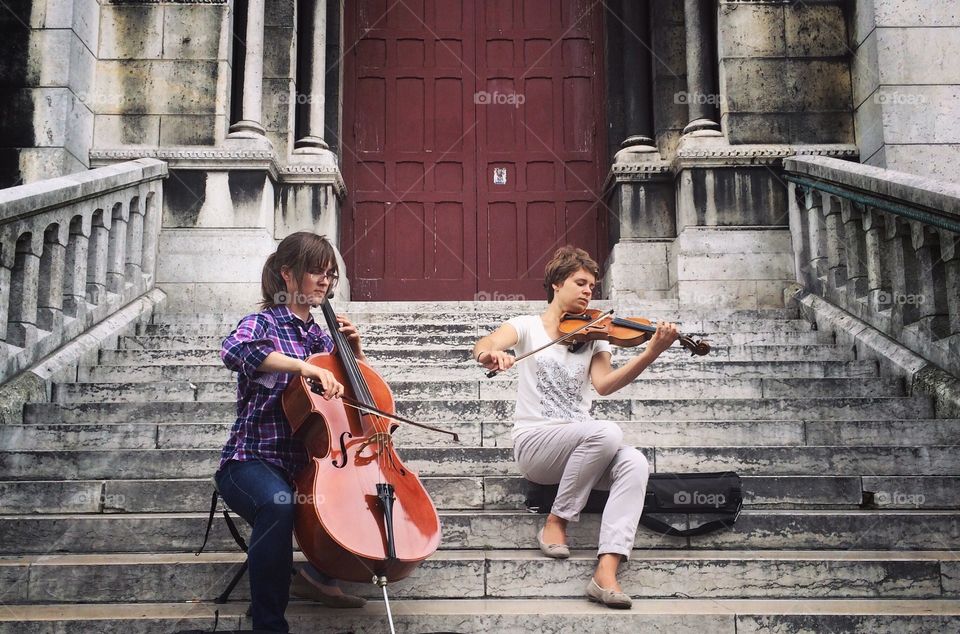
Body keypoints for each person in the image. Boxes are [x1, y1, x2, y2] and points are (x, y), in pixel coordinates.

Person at [471, 246, 679, 609]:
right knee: (607, 432)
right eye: (580, 283)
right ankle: (558, 518)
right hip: (537, 446)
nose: (588, 291)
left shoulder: (595, 334)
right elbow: (485, 344)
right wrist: (490, 354)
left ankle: (607, 571)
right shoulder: (527, 326)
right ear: (555, 283)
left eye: (592, 286)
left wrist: (650, 353)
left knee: (635, 463)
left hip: (584, 446)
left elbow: (604, 385)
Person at [214, 231, 367, 633]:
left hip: (308, 466)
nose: (324, 281)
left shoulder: (322, 337)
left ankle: (320, 578)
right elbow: (234, 351)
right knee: (279, 503)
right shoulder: (261, 323)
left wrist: (355, 356)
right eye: (315, 271)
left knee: (356, 497)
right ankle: (268, 625)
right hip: (250, 462)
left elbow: (356, 411)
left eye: (330, 274)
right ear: (287, 273)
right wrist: (304, 367)